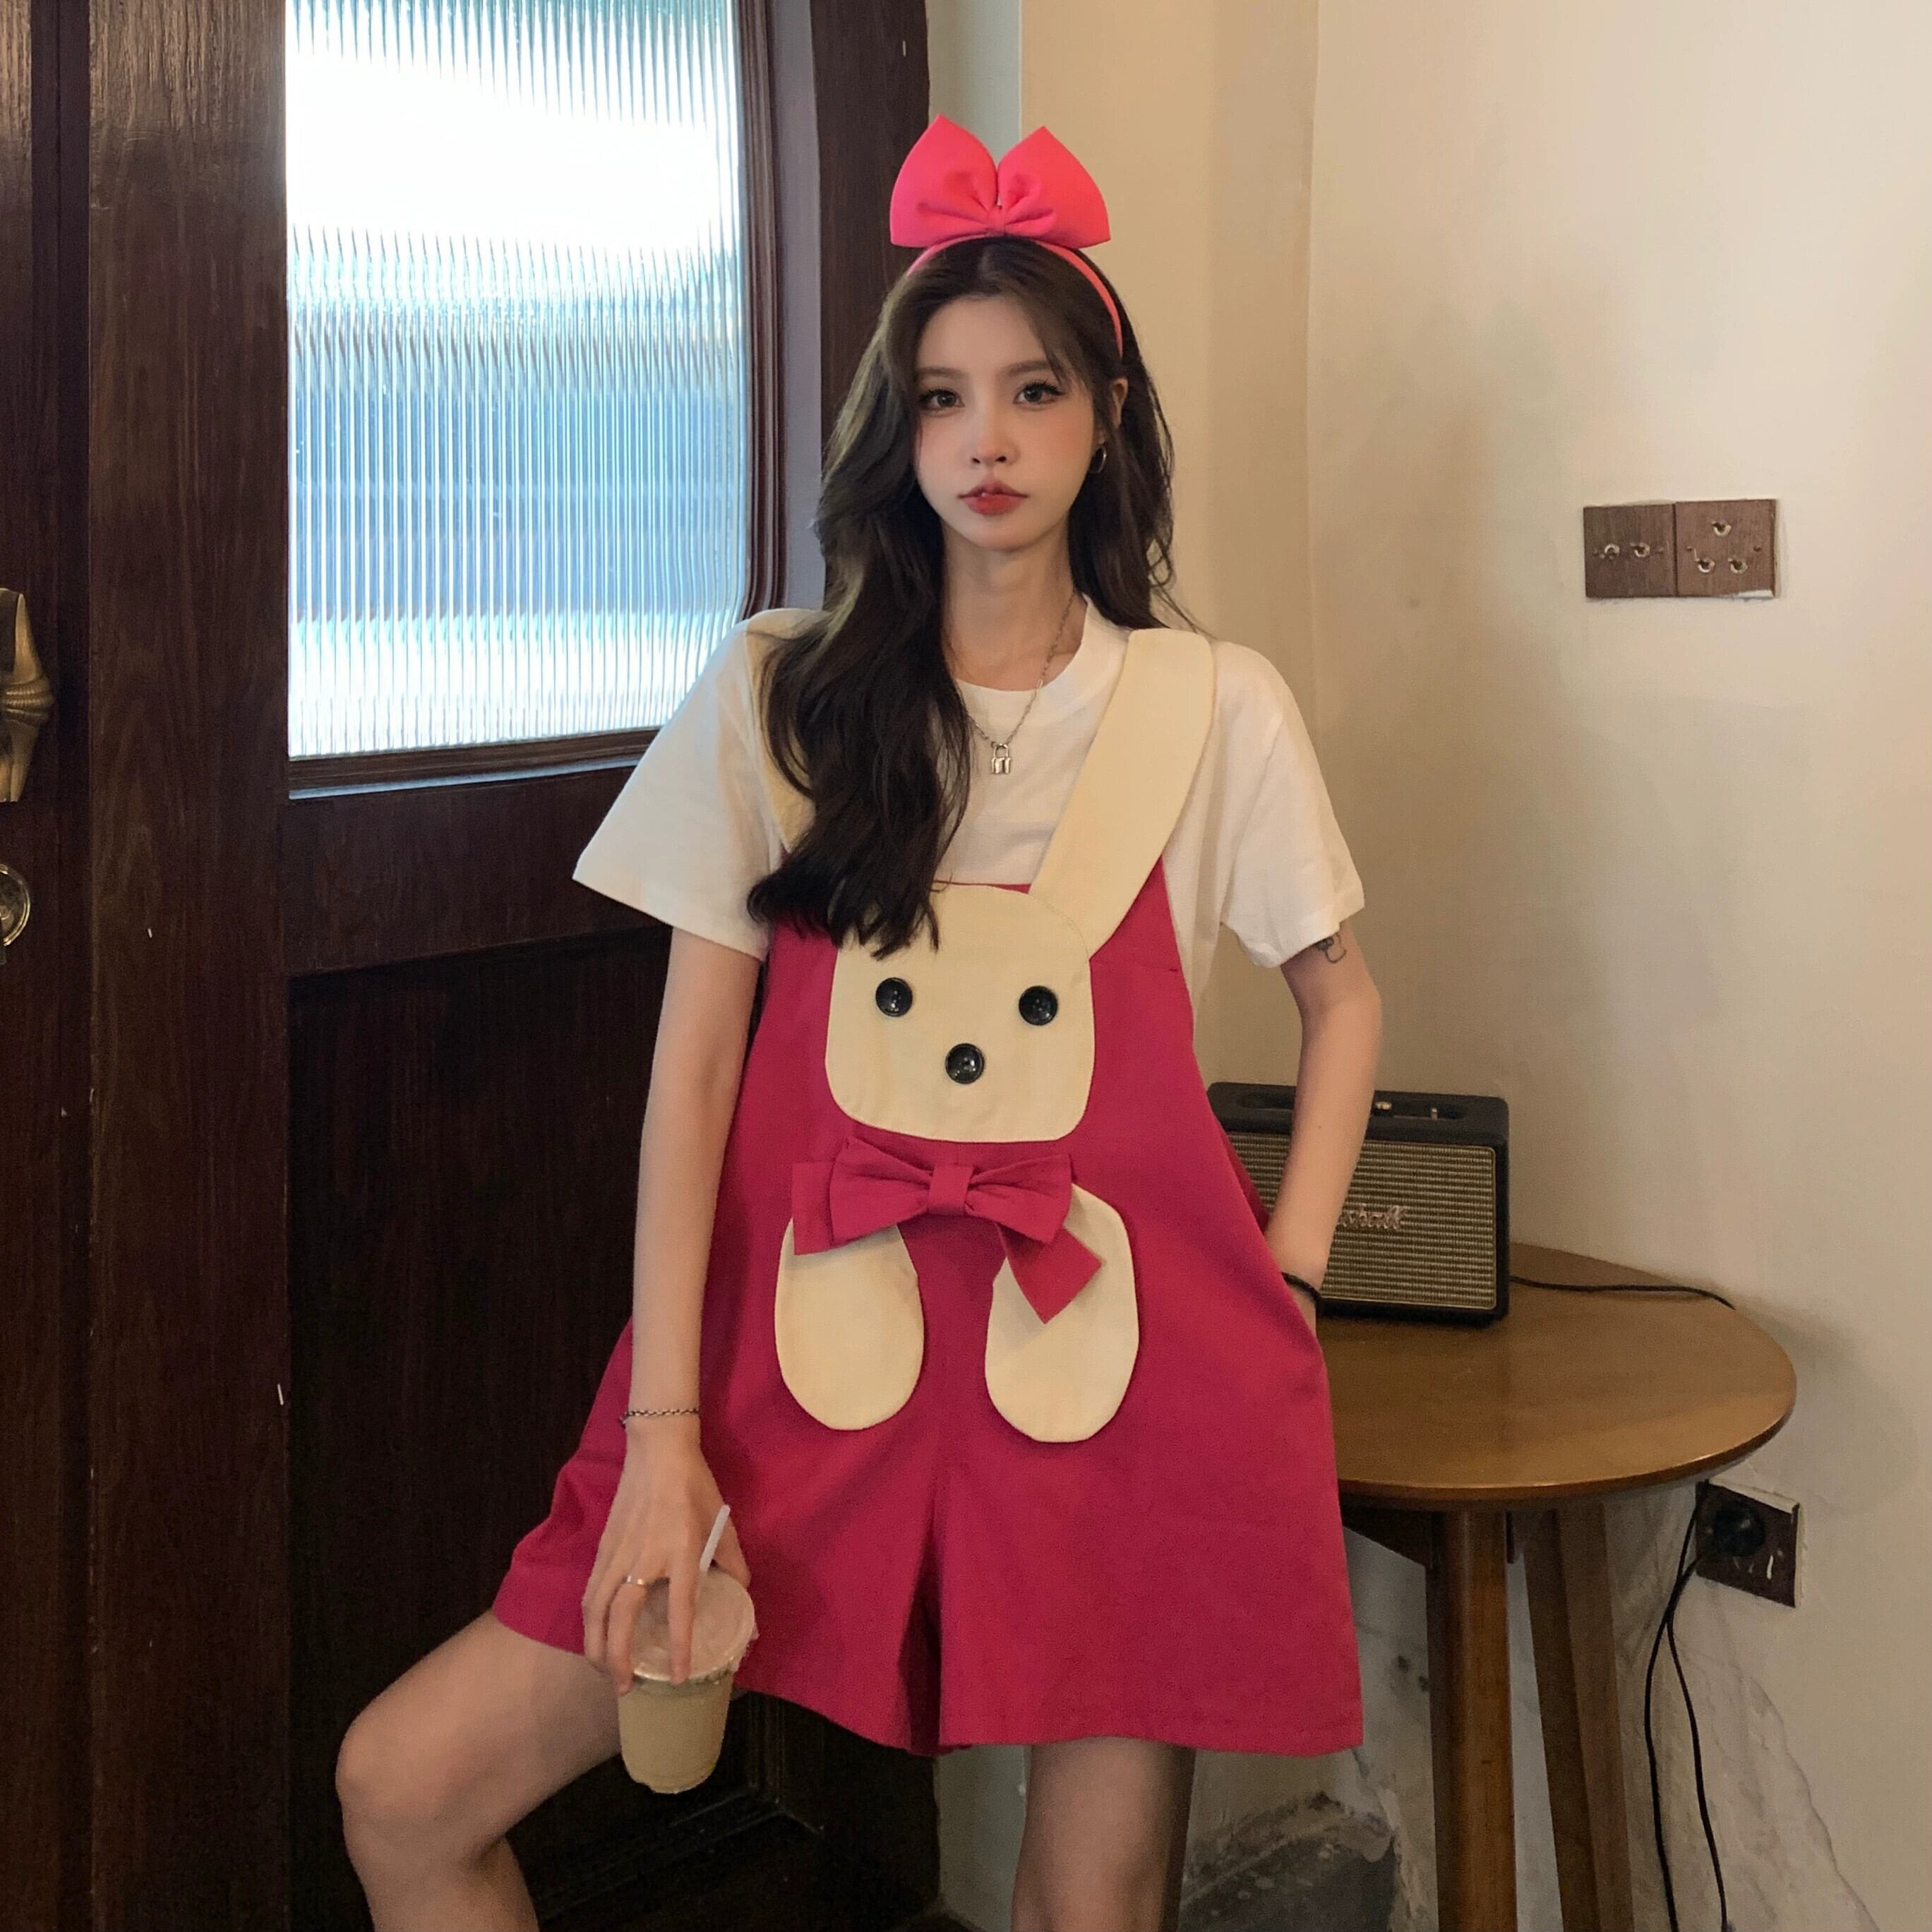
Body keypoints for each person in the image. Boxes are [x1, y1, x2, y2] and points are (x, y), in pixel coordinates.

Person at [335, 113, 1383, 1932]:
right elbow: (691, 1083)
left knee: (1094, 1907)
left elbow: (1342, 998)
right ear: (894, 433)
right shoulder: (781, 694)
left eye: (1034, 392)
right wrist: (665, 1429)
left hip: (1115, 1353)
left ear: (1107, 417)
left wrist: (1284, 1277)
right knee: (404, 1789)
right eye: (942, 398)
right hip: (776, 1361)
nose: (988, 441)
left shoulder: (1215, 709)